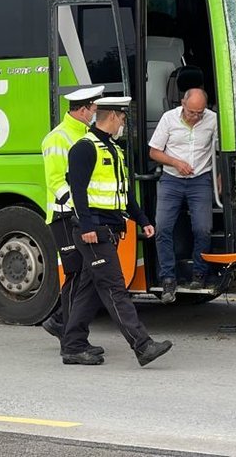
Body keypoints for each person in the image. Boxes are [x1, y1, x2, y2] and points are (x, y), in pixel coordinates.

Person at [62, 96, 173, 366]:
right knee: (114, 288)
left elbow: (123, 193)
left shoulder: (112, 149)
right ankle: (142, 345)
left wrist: (142, 219)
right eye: (123, 118)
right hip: (94, 231)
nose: (124, 123)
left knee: (89, 291)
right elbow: (76, 191)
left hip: (107, 229)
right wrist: (87, 226)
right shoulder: (85, 149)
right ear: (112, 117)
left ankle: (73, 345)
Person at [39, 85, 103, 352]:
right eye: (94, 110)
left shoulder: (87, 134)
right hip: (65, 217)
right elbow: (55, 181)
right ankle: (67, 331)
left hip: (80, 216)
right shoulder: (57, 138)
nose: (96, 114)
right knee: (76, 274)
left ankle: (63, 323)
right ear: (84, 108)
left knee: (86, 275)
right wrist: (80, 211)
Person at [148, 88, 218, 303]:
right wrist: (176, 162)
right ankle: (168, 278)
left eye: (200, 113)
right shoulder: (169, 119)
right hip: (172, 179)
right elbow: (154, 151)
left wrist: (219, 184)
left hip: (201, 180)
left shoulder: (213, 120)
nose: (195, 117)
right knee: (163, 227)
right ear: (182, 104)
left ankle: (199, 274)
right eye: (191, 112)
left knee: (203, 229)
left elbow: (221, 152)